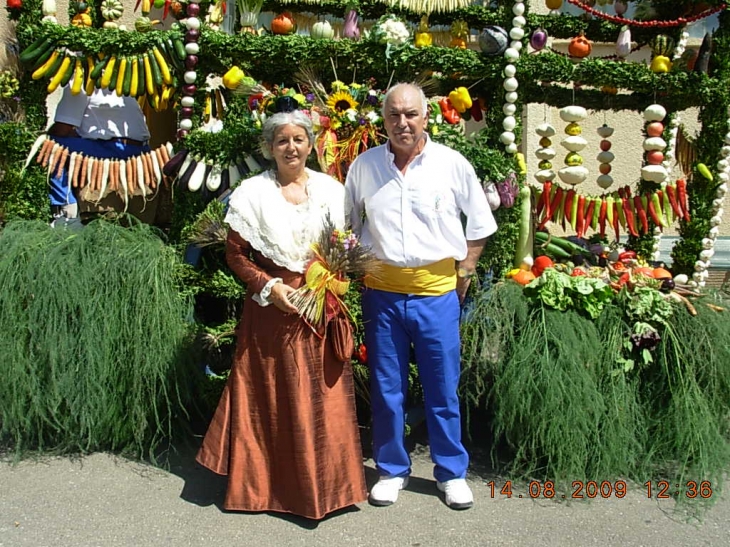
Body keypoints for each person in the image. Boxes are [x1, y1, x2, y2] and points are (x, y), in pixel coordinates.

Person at [196, 109, 368, 520]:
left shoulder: (331, 190)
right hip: (271, 311)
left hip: (319, 304)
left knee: (320, 396)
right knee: (270, 396)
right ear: (269, 148)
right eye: (282, 141)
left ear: (310, 144)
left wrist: (328, 280)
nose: (291, 147)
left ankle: (325, 489)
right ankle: (264, 489)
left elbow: (345, 246)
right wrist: (269, 288)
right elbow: (235, 254)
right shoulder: (251, 194)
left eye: (299, 139)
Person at [344, 83, 497, 510]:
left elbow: (480, 224)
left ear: (426, 116)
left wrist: (465, 269)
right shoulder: (365, 166)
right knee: (387, 387)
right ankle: (392, 470)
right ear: (383, 119)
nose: (402, 123)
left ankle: (451, 472)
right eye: (394, 115)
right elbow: (348, 226)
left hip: (436, 295)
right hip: (382, 295)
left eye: (410, 114)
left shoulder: (452, 164)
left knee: (442, 387)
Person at [46, 86, 151, 221]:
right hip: (141, 148)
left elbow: (61, 129)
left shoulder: (80, 81)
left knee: (52, 144)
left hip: (113, 148)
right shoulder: (119, 79)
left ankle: (65, 210)